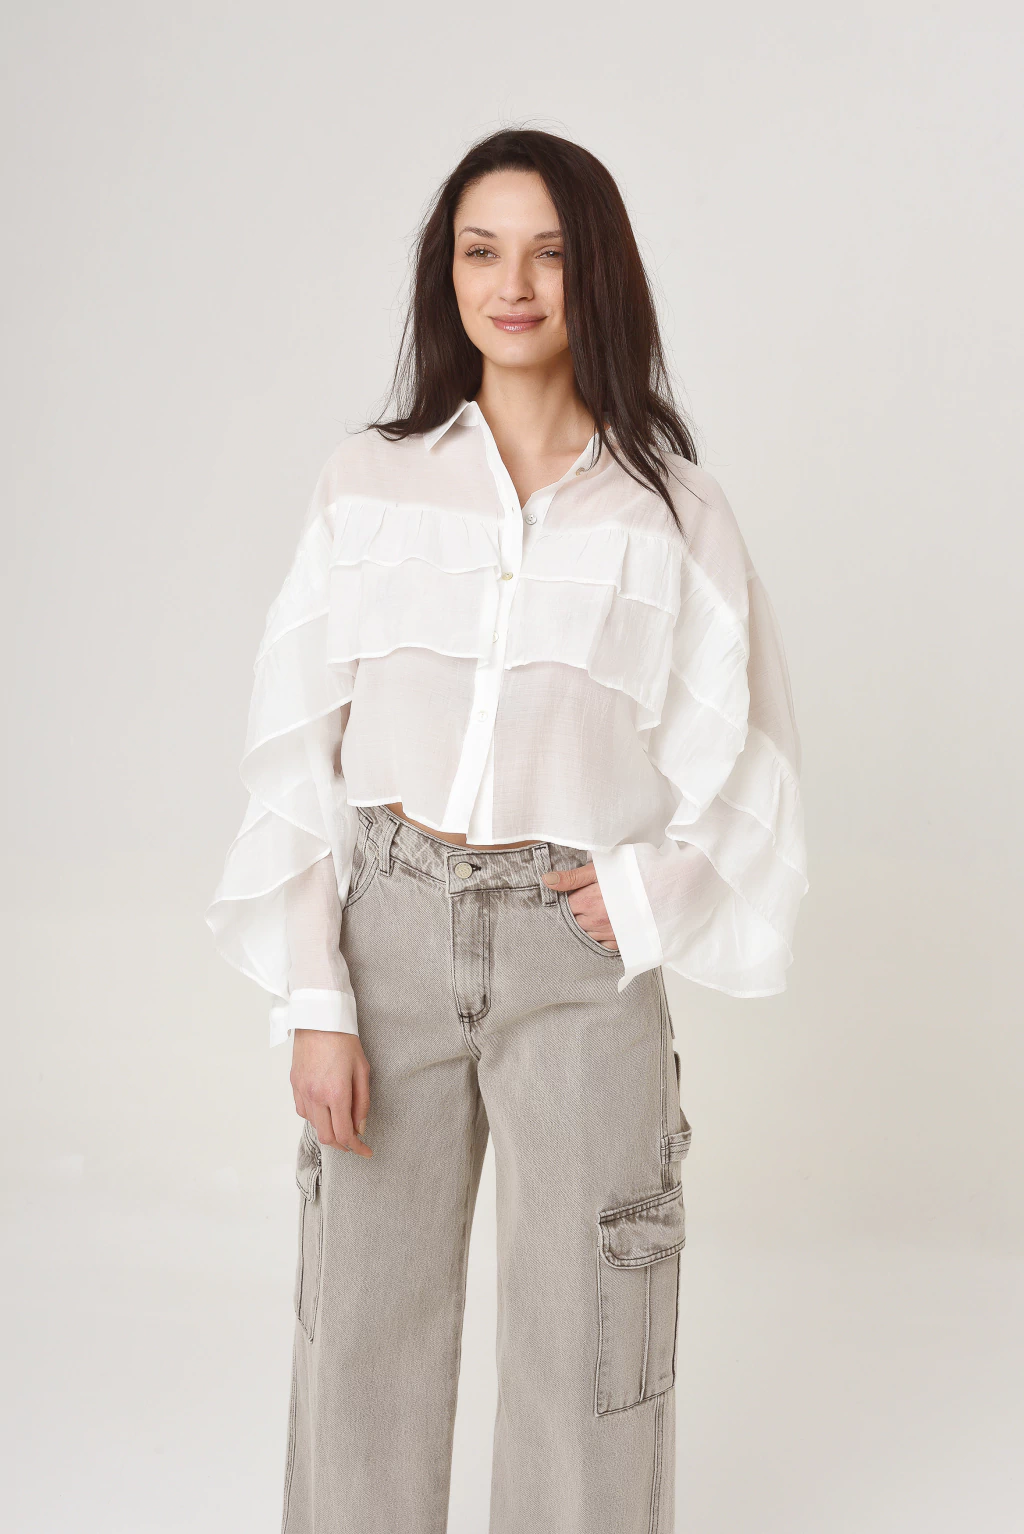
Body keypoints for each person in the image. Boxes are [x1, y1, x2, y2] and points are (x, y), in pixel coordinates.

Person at [205, 127, 808, 1534]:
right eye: (482, 251)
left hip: (576, 961)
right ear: (449, 276)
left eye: (547, 252)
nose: (514, 284)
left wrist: (649, 898)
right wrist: (316, 997)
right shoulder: (370, 481)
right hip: (390, 934)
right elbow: (300, 752)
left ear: (597, 274)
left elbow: (757, 757)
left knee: (589, 1336)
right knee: (361, 1327)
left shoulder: (672, 513)